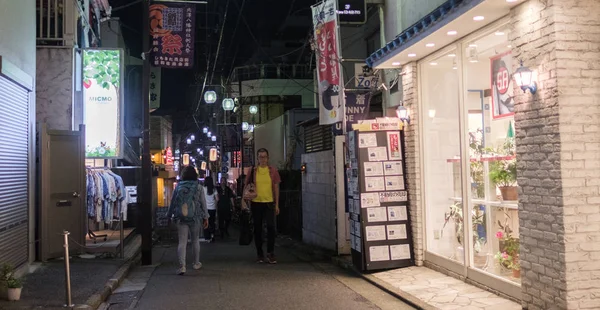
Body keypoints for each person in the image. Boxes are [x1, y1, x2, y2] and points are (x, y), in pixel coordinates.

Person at [167, 166, 209, 275]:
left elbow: (173, 202)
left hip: (180, 217)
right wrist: (206, 217)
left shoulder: (178, 186)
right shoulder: (198, 187)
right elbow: (203, 203)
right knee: (195, 240)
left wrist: (169, 215)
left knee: (182, 242)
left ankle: (182, 266)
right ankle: (196, 263)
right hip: (195, 217)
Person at [244, 148, 281, 264]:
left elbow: (276, 188)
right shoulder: (253, 170)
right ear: (257, 158)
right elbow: (246, 185)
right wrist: (244, 201)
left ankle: (270, 253)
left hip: (269, 203)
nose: (262, 159)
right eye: (260, 157)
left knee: (271, 228)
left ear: (268, 158)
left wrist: (277, 204)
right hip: (256, 203)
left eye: (264, 157)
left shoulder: (273, 171)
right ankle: (260, 254)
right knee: (258, 228)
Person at [202, 176, 219, 242]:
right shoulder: (214, 189)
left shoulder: (203, 188)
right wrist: (214, 203)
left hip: (205, 209)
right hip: (213, 209)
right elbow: (217, 199)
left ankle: (207, 237)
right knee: (212, 223)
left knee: (206, 223)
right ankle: (212, 235)